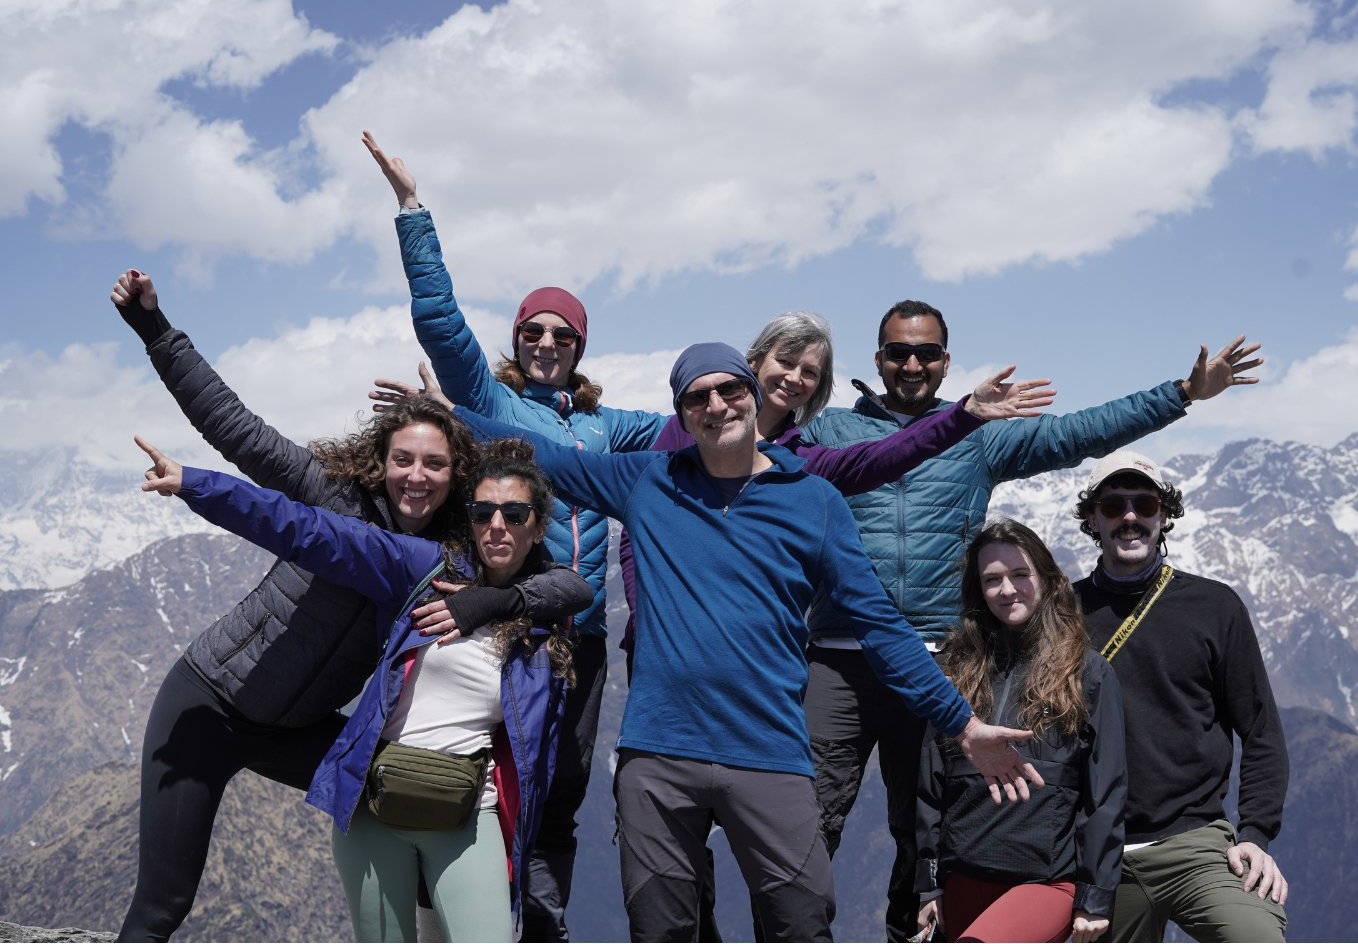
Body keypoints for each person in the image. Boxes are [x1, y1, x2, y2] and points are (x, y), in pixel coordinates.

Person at [448, 342, 1045, 942]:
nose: (717, 405)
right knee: (660, 933)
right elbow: (539, 453)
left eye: (730, 390)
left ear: (755, 398)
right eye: (697, 397)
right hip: (658, 759)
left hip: (771, 755)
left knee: (802, 927)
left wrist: (962, 725)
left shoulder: (813, 501)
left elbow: (881, 627)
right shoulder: (647, 482)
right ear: (682, 416)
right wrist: (450, 412)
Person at [110, 271, 582, 942]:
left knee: (399, 790)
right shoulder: (326, 492)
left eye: (435, 464)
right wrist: (156, 330)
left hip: (301, 730)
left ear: (456, 475)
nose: (416, 476)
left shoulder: (454, 555)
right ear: (380, 458)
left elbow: (566, 585)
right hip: (208, 699)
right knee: (163, 903)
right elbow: (234, 426)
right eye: (403, 460)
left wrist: (496, 599)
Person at [797, 298, 1263, 940]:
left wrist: (1182, 392)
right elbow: (754, 446)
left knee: (919, 831)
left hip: (934, 663)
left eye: (926, 353)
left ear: (945, 362)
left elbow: (1079, 434)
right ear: (877, 360)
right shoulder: (829, 434)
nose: (911, 364)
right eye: (898, 352)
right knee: (808, 823)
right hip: (839, 655)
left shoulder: (975, 434)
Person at [366, 131, 667, 941]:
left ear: (579, 348)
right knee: (475, 778)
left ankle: (541, 928)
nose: (544, 344)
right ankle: (451, 921)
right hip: (497, 624)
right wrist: (412, 211)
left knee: (559, 792)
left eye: (560, 336)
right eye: (531, 332)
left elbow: (703, 424)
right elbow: (442, 325)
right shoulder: (492, 407)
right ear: (517, 340)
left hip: (580, 635)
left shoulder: (615, 427)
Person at [618, 309, 1057, 664]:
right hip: (665, 639)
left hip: (749, 649)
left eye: (809, 372)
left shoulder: (801, 458)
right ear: (753, 364)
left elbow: (881, 458)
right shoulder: (691, 428)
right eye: (785, 362)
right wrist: (646, 620)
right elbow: (638, 530)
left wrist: (965, 414)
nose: (794, 378)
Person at [1071, 450, 1288, 943]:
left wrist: (1255, 834)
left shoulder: (1215, 607)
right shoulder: (1063, 613)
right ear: (1092, 519)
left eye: (1144, 504)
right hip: (1097, 853)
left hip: (1196, 844)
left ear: (1163, 515)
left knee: (1256, 936)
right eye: (1113, 506)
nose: (1130, 517)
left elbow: (1260, 731)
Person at [914, 519, 1126, 944]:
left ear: (1046, 580)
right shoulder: (956, 673)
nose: (1007, 590)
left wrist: (1095, 896)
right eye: (992, 579)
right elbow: (930, 786)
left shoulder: (1086, 673)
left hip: (1045, 881)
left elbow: (1105, 794)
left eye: (1019, 574)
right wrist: (929, 883)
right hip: (962, 879)